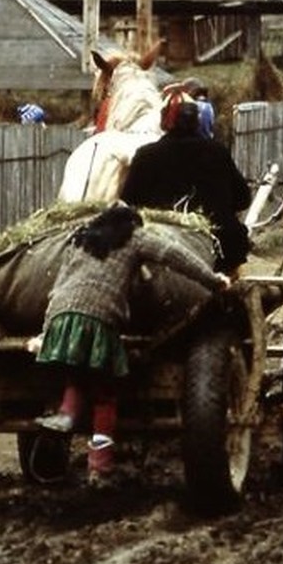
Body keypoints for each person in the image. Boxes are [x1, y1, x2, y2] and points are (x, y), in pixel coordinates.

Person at [34, 202, 229, 482]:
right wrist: (213, 281)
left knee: (77, 373)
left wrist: (44, 333)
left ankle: (67, 413)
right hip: (98, 320)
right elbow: (175, 255)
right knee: (104, 395)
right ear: (132, 224)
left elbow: (56, 288)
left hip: (60, 320)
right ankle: (99, 466)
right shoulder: (134, 237)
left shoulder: (80, 240)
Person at [120, 100, 253, 278]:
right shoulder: (217, 152)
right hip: (219, 249)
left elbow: (129, 201)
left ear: (164, 123)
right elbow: (243, 198)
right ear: (198, 123)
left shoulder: (146, 155)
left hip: (158, 246)